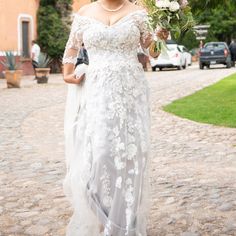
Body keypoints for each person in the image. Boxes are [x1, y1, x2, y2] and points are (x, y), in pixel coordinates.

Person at [62, 0, 168, 235]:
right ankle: (104, 217)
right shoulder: (84, 14)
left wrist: (161, 37)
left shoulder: (140, 13)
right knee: (98, 155)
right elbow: (71, 50)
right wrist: (68, 74)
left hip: (131, 93)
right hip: (97, 93)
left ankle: (125, 223)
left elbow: (153, 52)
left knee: (131, 155)